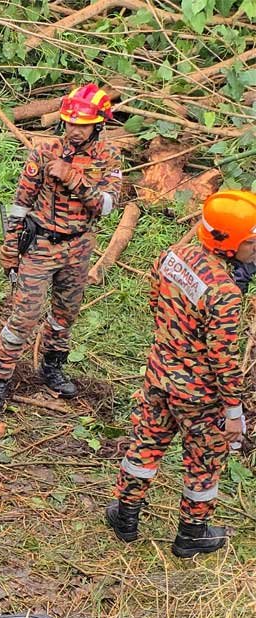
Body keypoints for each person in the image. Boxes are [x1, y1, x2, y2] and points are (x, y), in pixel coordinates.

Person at [108, 190, 256, 557]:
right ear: (229, 241)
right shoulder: (225, 292)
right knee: (204, 465)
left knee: (145, 445)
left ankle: (125, 515)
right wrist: (234, 412)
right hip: (199, 396)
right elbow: (223, 358)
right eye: (252, 242)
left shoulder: (173, 256)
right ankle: (192, 534)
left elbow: (156, 301)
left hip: (159, 375)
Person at [0, 83, 123, 414]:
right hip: (42, 244)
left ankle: (51, 368)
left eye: (82, 124)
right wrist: (11, 245)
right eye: (70, 122)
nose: (74, 130)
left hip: (79, 246)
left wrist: (75, 179)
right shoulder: (44, 152)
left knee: (65, 315)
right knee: (24, 316)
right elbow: (21, 203)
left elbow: (105, 206)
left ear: (98, 125)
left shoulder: (108, 158)